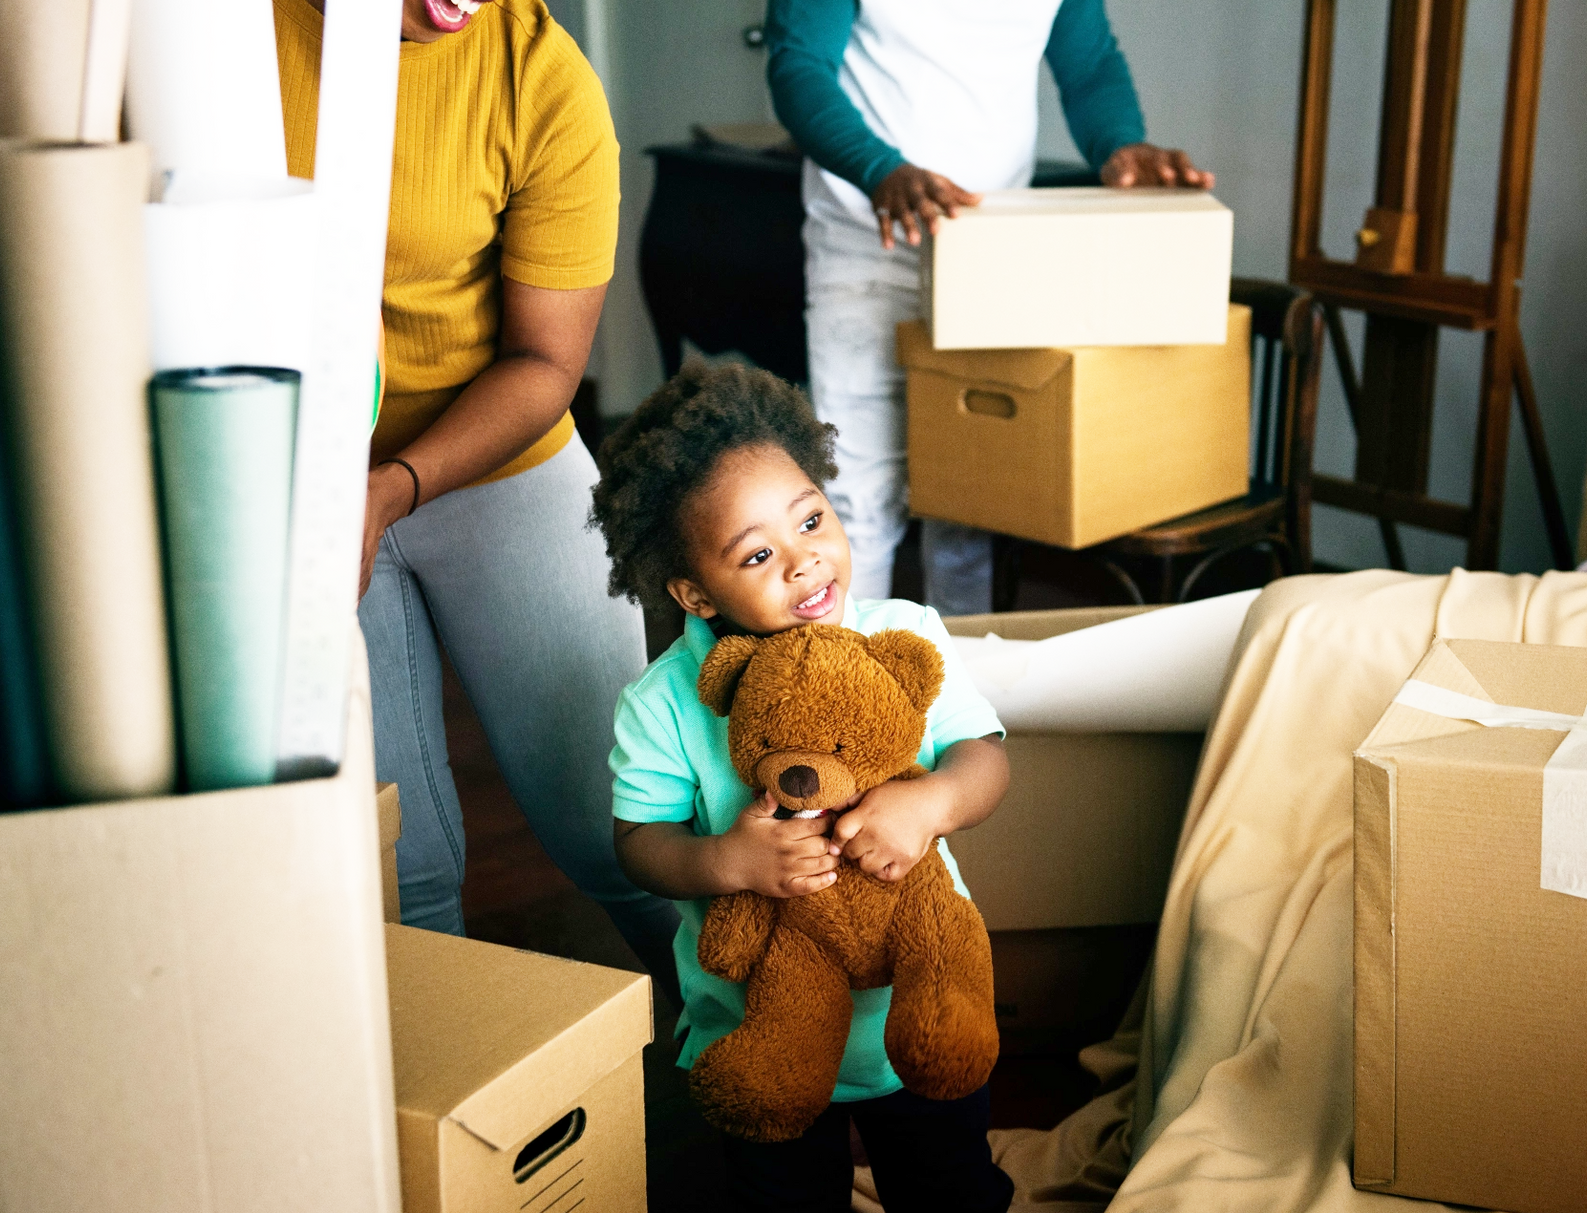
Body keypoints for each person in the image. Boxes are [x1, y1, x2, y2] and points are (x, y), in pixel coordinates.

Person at [273, 0, 680, 997]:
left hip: (498, 457)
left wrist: (395, 485)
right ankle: (441, 1128)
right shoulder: (218, 41)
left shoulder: (543, 81)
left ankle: (778, 1077)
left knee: (620, 830)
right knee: (395, 872)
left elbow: (546, 361)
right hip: (291, 480)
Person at [589, 362, 1014, 1213]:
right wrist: (726, 861)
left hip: (916, 1007)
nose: (805, 560)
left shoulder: (901, 633)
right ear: (692, 591)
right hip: (759, 1027)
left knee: (951, 1187)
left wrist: (929, 802)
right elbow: (639, 843)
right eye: (757, 554)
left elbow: (986, 759)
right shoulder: (665, 701)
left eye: (811, 519)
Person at [766, 0, 1215, 616]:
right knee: (858, 502)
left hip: (989, 252)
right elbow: (798, 66)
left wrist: (1120, 143)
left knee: (970, 502)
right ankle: (853, 698)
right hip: (867, 242)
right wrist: (880, 170)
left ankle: (958, 696)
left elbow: (1089, 67)